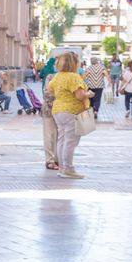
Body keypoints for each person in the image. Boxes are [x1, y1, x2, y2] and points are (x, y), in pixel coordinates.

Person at [46, 51, 91, 180]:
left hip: (58, 110)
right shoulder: (74, 77)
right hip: (71, 111)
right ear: (74, 63)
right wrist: (89, 94)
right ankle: (68, 169)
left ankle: (62, 168)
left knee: (61, 140)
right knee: (70, 141)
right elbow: (80, 95)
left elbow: (50, 90)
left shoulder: (57, 76)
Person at [38, 56, 59, 170]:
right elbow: (47, 94)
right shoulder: (51, 76)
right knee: (50, 135)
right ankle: (50, 160)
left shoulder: (69, 77)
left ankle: (56, 159)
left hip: (62, 111)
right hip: (50, 109)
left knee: (58, 136)